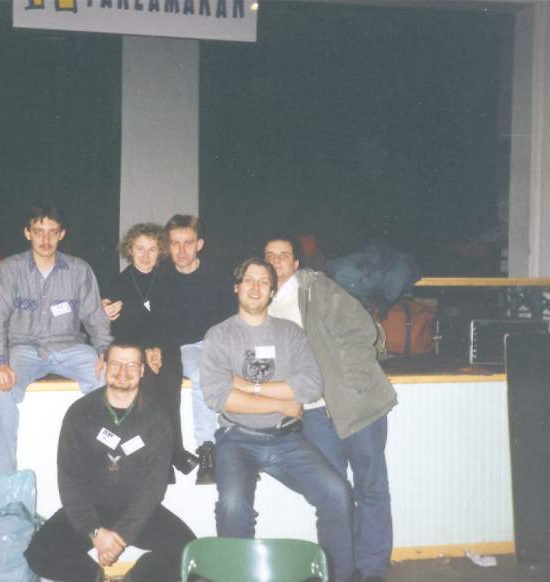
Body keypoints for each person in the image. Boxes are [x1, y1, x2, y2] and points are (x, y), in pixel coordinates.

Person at [200, 258, 355, 582]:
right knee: (232, 505)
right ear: (236, 287)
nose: (256, 288)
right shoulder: (219, 335)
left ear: (272, 292)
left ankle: (338, 576)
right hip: (237, 439)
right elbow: (218, 397)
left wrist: (249, 387)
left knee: (338, 494)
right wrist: (282, 404)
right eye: (249, 280)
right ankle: (235, 576)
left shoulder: (291, 334)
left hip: (287, 439)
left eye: (264, 282)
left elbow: (311, 386)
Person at [263, 234, 397, 582]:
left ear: (296, 263)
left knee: (370, 487)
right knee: (333, 495)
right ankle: (338, 570)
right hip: (313, 414)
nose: (276, 260)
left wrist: (352, 383)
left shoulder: (316, 289)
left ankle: (372, 569)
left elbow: (360, 330)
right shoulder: (261, 303)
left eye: (283, 254)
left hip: (357, 404)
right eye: (270, 255)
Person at [24, 342, 196, 582]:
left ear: (142, 370)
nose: (123, 371)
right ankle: (96, 578)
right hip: (91, 506)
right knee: (40, 554)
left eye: (131, 365)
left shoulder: (157, 417)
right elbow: (69, 481)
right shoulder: (80, 413)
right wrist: (95, 532)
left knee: (189, 553)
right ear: (104, 367)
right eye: (115, 363)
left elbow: (153, 488)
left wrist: (121, 536)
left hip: (136, 510)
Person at [0, 206, 112, 474]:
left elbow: (95, 316)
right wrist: (0, 362)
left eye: (52, 232)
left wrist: (105, 351)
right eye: (39, 231)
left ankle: (106, 461)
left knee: (109, 378)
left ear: (61, 234)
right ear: (27, 233)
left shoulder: (79, 270)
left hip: (70, 346)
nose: (45, 239)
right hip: (23, 349)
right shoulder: (9, 269)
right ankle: (2, 478)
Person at [101, 223, 199, 481]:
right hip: (131, 347)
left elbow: (174, 323)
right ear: (130, 250)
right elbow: (120, 327)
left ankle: (174, 450)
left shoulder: (169, 280)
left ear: (160, 252)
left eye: (152, 249)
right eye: (140, 249)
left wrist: (157, 349)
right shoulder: (117, 282)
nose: (146, 255)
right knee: (148, 385)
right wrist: (145, 350)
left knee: (169, 382)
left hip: (165, 347)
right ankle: (161, 456)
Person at [154, 214, 235, 484]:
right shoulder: (160, 275)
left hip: (216, 342)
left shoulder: (217, 274)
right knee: (202, 375)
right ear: (167, 246)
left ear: (199, 244)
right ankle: (206, 449)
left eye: (188, 243)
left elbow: (231, 319)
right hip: (183, 347)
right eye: (175, 243)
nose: (181, 250)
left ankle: (239, 449)